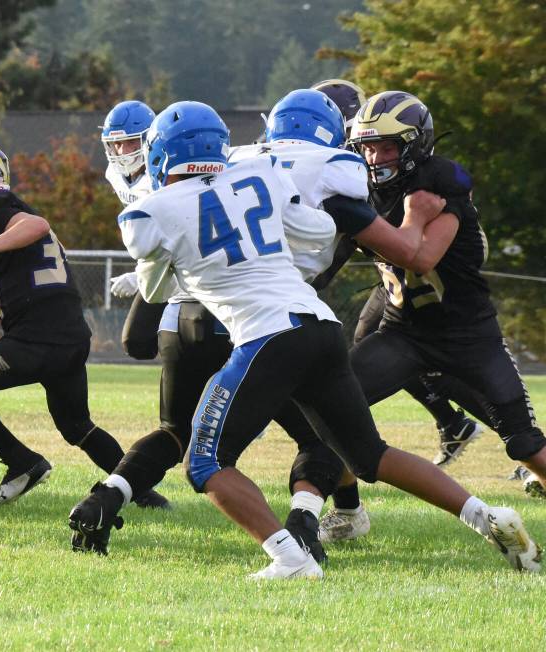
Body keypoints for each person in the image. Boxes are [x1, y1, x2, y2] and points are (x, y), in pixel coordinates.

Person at [111, 100, 539, 578]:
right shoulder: (260, 177)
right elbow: (317, 233)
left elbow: (154, 290)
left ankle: (290, 559)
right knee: (370, 455)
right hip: (320, 326)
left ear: (161, 154)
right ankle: (487, 517)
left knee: (205, 462)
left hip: (265, 337)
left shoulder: (150, 212)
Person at [68, 88, 444, 559]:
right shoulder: (283, 174)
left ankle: (107, 496)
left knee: (175, 432)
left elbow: (156, 276)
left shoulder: (219, 172)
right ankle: (303, 527)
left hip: (184, 317)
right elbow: (321, 233)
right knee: (318, 436)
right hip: (263, 327)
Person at [321, 91, 546, 541]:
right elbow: (330, 260)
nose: (375, 157)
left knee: (524, 442)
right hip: (403, 333)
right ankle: (346, 511)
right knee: (334, 407)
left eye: (386, 146)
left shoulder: (437, 185)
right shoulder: (360, 186)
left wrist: (401, 218)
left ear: (414, 144)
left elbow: (420, 258)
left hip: (469, 336)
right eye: (367, 147)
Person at [0, 140, 166, 507]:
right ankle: (146, 497)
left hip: (35, 343)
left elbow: (37, 225)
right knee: (77, 427)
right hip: (68, 339)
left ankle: (21, 460)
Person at [311, 82, 484, 467]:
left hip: (437, 272)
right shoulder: (358, 165)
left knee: (438, 360)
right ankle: (453, 421)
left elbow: (409, 246)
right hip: (397, 271)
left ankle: (517, 436)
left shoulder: (425, 175)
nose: (373, 155)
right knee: (371, 340)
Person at [99, 100, 166, 362]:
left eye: (130, 142)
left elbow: (178, 233)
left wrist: (139, 277)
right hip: (155, 265)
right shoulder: (114, 174)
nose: (122, 151)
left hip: (185, 263)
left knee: (183, 339)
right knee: (136, 342)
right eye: (116, 143)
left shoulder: (164, 174)